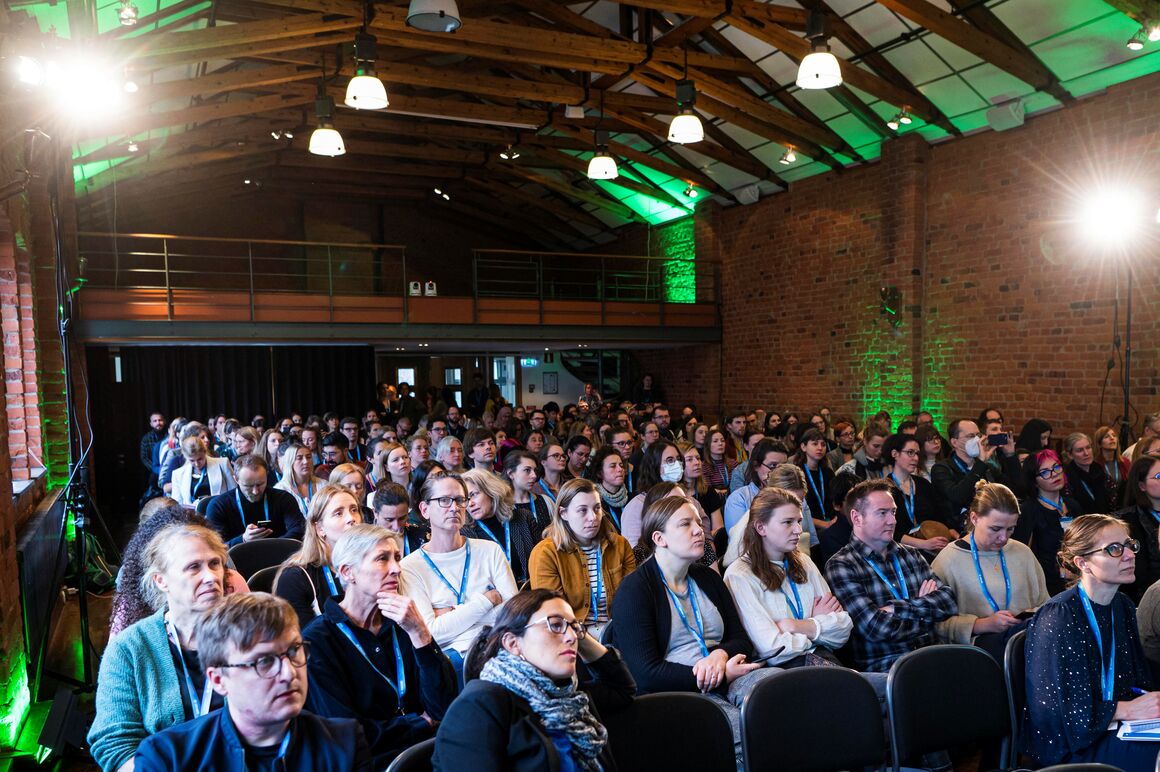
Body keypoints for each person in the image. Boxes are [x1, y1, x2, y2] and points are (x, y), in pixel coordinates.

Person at [610, 495, 774, 762]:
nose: (699, 530)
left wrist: (719, 656)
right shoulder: (635, 590)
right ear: (659, 539)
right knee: (738, 730)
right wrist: (721, 675)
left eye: (699, 522)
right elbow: (645, 674)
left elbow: (740, 638)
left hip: (724, 672)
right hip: (675, 691)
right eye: (685, 524)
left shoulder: (708, 577)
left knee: (778, 693)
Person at [134, 593, 371, 771]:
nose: (289, 673)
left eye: (293, 651)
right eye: (264, 661)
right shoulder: (167, 758)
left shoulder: (344, 743)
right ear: (218, 679)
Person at [303, 525, 458, 769]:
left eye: (397, 557)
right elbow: (346, 733)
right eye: (382, 559)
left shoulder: (405, 621)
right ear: (347, 572)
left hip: (430, 753)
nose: (397, 568)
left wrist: (420, 635)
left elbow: (443, 708)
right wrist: (419, 724)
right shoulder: (319, 640)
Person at [433, 589, 636, 772]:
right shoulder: (479, 705)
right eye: (555, 625)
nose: (572, 637)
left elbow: (621, 688)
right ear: (513, 643)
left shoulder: (568, 698)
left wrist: (573, 630)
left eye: (574, 628)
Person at [89, 524, 232, 772]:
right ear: (161, 580)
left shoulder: (250, 633)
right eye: (194, 567)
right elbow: (114, 743)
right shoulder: (130, 648)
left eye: (215, 564)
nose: (210, 577)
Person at [1022, 514, 1158, 768]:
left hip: (1116, 727)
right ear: (1082, 563)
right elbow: (1059, 715)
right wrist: (1127, 710)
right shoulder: (1059, 617)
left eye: (1130, 545)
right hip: (1073, 746)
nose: (1129, 555)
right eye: (1114, 549)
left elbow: (1137, 682)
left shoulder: (1123, 606)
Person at [825, 479, 957, 672]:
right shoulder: (841, 565)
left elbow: (948, 602)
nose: (893, 520)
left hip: (934, 653)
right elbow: (875, 627)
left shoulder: (910, 554)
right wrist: (925, 610)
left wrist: (894, 609)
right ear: (857, 517)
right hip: (888, 667)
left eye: (893, 512)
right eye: (882, 513)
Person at [401, 473, 519, 684]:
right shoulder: (410, 567)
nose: (454, 507)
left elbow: (513, 616)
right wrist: (486, 601)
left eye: (460, 500)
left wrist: (452, 614)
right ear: (425, 509)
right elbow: (431, 634)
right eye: (444, 501)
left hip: (498, 648)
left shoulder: (489, 550)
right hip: (453, 661)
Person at [724, 487, 855, 668]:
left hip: (824, 661)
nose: (798, 530)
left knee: (887, 685)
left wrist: (792, 626)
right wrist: (817, 627)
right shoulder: (739, 575)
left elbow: (843, 629)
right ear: (761, 527)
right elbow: (773, 650)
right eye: (788, 522)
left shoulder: (803, 561)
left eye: (799, 521)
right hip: (783, 673)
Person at [931, 481, 1048, 663]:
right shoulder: (948, 560)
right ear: (974, 518)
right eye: (995, 529)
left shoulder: (1022, 552)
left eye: (1011, 529)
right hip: (978, 653)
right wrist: (981, 624)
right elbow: (936, 624)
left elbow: (1045, 603)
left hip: (1028, 639)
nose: (1003, 537)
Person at [529, 479, 636, 641]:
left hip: (619, 628)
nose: (593, 517)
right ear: (564, 514)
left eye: (597, 508)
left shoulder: (619, 544)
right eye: (582, 511)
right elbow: (553, 613)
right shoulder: (546, 553)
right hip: (573, 635)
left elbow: (632, 597)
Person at [273, 484, 361, 626]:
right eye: (338, 513)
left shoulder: (368, 566)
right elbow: (304, 641)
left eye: (354, 510)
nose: (351, 518)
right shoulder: (294, 578)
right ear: (320, 528)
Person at [931, 418, 1023, 531]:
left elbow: (1017, 490)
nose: (976, 440)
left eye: (978, 435)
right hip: (958, 530)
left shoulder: (987, 467)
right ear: (954, 442)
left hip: (991, 525)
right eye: (970, 436)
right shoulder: (942, 468)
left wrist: (1010, 455)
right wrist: (980, 463)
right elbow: (958, 496)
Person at [1014, 448, 1079, 597]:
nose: (1054, 474)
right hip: (1044, 586)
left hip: (1077, 580)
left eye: (1056, 467)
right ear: (1034, 481)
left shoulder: (1073, 505)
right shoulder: (1028, 510)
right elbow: (1021, 554)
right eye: (1045, 472)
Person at [205, 454, 303, 546]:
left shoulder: (283, 498)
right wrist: (243, 540)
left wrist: (274, 547)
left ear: (267, 476)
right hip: (238, 561)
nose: (255, 491)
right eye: (248, 486)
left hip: (280, 557)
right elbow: (216, 546)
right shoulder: (218, 506)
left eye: (260, 484)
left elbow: (300, 529)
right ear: (236, 479)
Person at [462, 467, 537, 586]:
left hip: (533, 592)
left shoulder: (523, 518)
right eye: (465, 499)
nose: (470, 503)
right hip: (499, 600)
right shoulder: (466, 534)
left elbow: (542, 561)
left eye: (474, 495)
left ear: (491, 491)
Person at [883, 434, 955, 554]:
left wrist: (949, 531)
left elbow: (939, 516)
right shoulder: (884, 489)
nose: (916, 458)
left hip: (930, 546)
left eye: (917, 453)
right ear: (895, 454)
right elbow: (890, 532)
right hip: (900, 550)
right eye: (910, 452)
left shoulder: (923, 484)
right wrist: (924, 544)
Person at [1115, 456, 1160, 602]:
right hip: (1145, 599)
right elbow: (1138, 574)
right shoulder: (1126, 521)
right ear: (1142, 486)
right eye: (1158, 476)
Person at [723, 439, 791, 532]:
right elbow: (740, 539)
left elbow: (811, 539)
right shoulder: (739, 498)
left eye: (783, 466)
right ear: (756, 466)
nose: (779, 472)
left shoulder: (792, 494)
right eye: (773, 465)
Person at [171, 435, 236, 509]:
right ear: (185, 457)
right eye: (192, 460)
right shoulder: (178, 474)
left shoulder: (223, 464)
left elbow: (234, 493)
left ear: (205, 452)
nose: (196, 464)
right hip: (193, 517)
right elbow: (177, 505)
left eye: (200, 459)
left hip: (220, 512)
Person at [501, 450, 552, 538]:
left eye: (534, 470)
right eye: (527, 470)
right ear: (510, 474)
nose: (534, 475)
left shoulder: (545, 501)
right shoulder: (502, 506)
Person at [273, 441, 328, 517]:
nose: (305, 462)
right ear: (290, 462)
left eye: (308, 457)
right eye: (299, 458)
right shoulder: (280, 490)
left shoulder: (324, 485)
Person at [584, 446, 630, 534]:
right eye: (613, 466)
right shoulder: (594, 502)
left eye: (621, 465)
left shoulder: (632, 498)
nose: (620, 469)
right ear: (599, 473)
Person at [1064, 431, 1113, 515]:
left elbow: (1113, 504)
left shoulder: (1102, 472)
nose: (1086, 453)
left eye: (1088, 447)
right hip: (1081, 525)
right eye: (1080, 450)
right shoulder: (1066, 479)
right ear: (1070, 455)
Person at [371, 483, 425, 556]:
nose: (396, 526)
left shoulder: (423, 535)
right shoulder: (363, 543)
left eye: (402, 518)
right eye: (389, 520)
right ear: (375, 513)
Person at [140, 412, 167, 503]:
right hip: (153, 472)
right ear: (151, 424)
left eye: (160, 420)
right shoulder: (146, 438)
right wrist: (156, 469)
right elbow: (144, 458)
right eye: (155, 421)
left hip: (168, 470)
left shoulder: (169, 436)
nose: (158, 423)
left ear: (164, 421)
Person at [702, 428, 735, 496]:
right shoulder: (704, 466)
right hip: (716, 501)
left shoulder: (733, 463)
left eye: (722, 440)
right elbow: (708, 490)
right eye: (715, 441)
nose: (720, 443)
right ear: (708, 445)